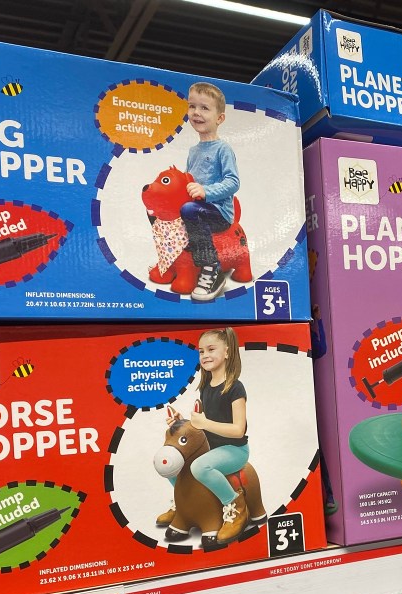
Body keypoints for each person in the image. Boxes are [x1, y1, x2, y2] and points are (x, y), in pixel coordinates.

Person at [158, 328, 254, 544]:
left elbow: (238, 429)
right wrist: (184, 421)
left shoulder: (235, 388)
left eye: (211, 349)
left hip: (235, 450)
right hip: (211, 448)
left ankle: (235, 505)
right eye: (201, 351)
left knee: (200, 467)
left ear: (227, 352)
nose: (205, 355)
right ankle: (184, 502)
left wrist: (204, 423)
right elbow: (204, 424)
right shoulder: (205, 387)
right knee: (174, 463)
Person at [181, 82, 240, 301]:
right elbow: (188, 180)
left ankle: (212, 268)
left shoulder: (223, 149)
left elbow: (233, 182)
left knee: (189, 210)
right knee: (164, 212)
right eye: (192, 106)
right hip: (196, 207)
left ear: (220, 118)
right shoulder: (193, 151)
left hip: (218, 213)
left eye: (204, 108)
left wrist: (205, 191)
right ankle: (172, 259)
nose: (196, 112)